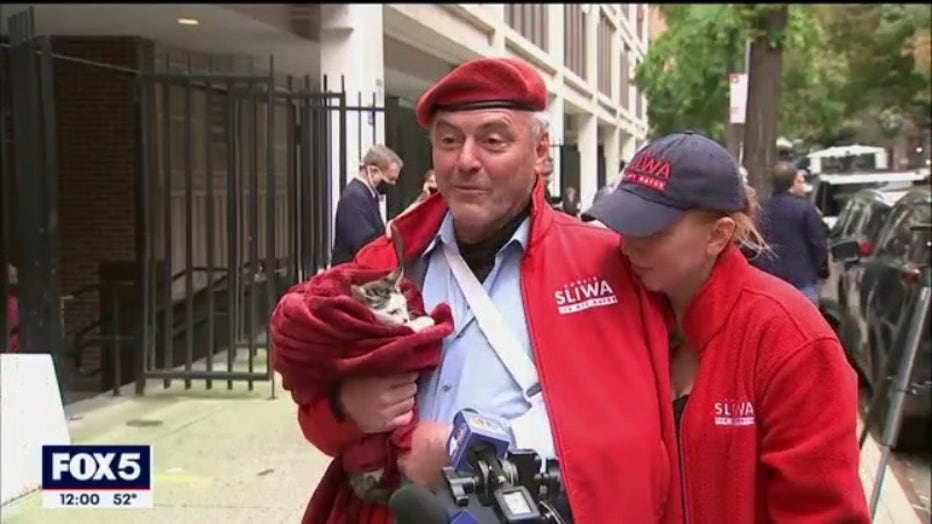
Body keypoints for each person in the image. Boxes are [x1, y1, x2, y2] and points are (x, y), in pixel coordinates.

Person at [272, 57, 682, 523]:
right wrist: (349, 409)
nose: (466, 160)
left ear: (541, 151)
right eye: (449, 140)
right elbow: (316, 415)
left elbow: (637, 430)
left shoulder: (607, 264)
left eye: (492, 140)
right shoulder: (384, 263)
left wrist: (458, 448)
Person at [584, 132, 870, 523]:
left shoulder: (790, 337)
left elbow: (824, 511)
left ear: (718, 236)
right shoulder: (622, 312)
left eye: (650, 230)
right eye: (623, 224)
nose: (628, 244)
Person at [754, 162, 828, 304]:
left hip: (769, 284)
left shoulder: (759, 211)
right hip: (802, 281)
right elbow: (817, 242)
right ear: (793, 182)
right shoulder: (805, 209)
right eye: (800, 181)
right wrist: (821, 269)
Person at [331, 145, 404, 266]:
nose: (393, 184)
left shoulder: (366, 195)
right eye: (390, 179)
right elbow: (364, 246)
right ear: (373, 171)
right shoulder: (354, 198)